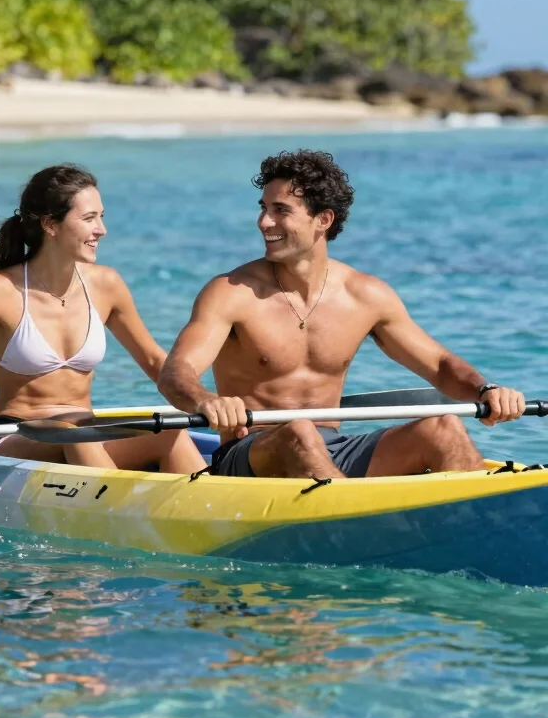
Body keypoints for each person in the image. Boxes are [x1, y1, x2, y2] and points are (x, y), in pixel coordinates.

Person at [158, 149, 526, 480]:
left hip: (334, 448)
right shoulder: (231, 292)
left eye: (280, 211)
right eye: (263, 208)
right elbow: (177, 373)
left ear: (323, 219)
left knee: (445, 427)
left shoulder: (365, 296)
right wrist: (206, 400)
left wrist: (486, 390)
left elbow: (440, 365)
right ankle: (360, 529)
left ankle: (479, 527)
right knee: (298, 432)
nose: (264, 222)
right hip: (249, 454)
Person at [0, 163, 206, 473]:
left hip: (87, 433)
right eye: (88, 218)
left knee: (169, 433)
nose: (101, 229)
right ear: (51, 225)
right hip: (15, 436)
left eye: (101, 216)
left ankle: (213, 511)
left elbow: (156, 363)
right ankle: (114, 511)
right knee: (73, 437)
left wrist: (203, 399)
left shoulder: (106, 285)